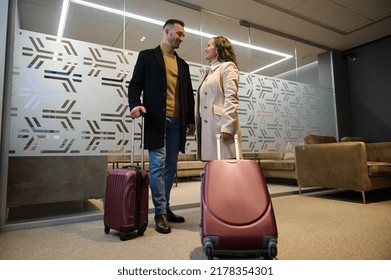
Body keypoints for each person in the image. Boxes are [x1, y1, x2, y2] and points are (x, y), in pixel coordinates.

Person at [128, 19, 195, 234]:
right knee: (157, 165)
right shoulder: (147, 56)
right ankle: (159, 213)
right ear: (167, 32)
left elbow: (187, 95)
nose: (182, 38)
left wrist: (191, 119)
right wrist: (136, 104)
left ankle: (165, 207)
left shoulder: (183, 65)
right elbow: (135, 84)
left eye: (183, 35)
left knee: (170, 167)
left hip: (177, 122)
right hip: (156, 119)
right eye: (179, 34)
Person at [196, 36, 242, 161]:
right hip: (208, 128)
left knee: (226, 169)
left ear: (218, 49)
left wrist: (227, 126)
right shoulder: (208, 72)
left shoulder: (228, 66)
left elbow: (231, 97)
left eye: (209, 45)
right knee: (213, 169)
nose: (205, 49)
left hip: (220, 127)